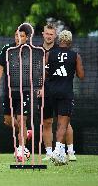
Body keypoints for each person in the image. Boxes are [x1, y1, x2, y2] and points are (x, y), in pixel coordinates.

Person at [45, 30, 84, 165]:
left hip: (52, 92)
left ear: (59, 40)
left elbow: (46, 72)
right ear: (70, 41)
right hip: (65, 92)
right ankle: (57, 151)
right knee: (63, 123)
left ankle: (60, 152)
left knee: (57, 121)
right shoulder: (75, 55)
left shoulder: (50, 54)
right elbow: (81, 75)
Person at [0, 26, 31, 162]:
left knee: (22, 119)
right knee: (8, 121)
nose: (18, 38)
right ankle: (25, 133)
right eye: (16, 35)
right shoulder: (7, 49)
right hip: (9, 90)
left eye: (21, 36)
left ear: (26, 38)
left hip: (25, 90)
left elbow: (38, 71)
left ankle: (21, 149)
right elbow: (0, 68)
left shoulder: (31, 51)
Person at [39, 24, 76, 161]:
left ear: (55, 36)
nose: (48, 36)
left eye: (51, 34)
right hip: (45, 92)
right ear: (43, 34)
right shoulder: (37, 50)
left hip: (61, 92)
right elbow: (41, 73)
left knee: (65, 123)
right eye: (46, 33)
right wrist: (41, 87)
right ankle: (49, 153)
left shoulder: (60, 50)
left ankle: (70, 151)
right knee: (46, 121)